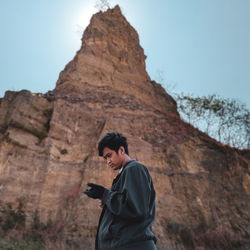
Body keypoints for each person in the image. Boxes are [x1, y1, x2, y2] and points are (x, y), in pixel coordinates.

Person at [84, 132, 157, 250]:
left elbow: (136, 210)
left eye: (109, 155)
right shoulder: (124, 173)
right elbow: (125, 207)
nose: (107, 161)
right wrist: (106, 200)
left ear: (121, 150)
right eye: (105, 158)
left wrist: (106, 194)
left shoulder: (134, 169)